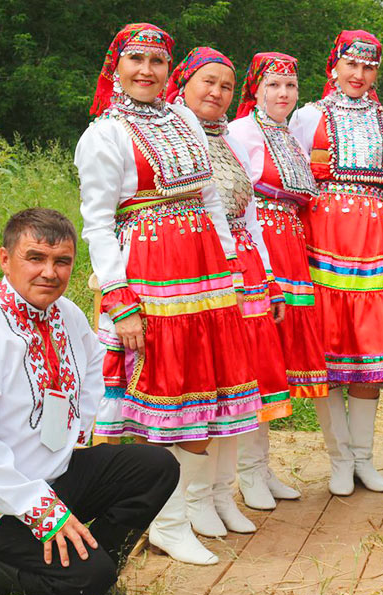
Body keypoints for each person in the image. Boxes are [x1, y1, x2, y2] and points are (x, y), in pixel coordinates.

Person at [75, 24, 262, 566]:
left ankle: (190, 509)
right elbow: (97, 224)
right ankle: (168, 521)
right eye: (136, 59)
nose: (147, 70)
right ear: (116, 66)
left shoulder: (182, 118)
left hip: (204, 273)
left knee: (202, 397)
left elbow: (207, 197)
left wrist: (228, 261)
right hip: (152, 275)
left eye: (158, 61)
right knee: (163, 399)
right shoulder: (104, 134)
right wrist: (119, 298)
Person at [0, 208, 179, 595]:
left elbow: (89, 374)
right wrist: (43, 511)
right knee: (88, 581)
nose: (50, 272)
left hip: (54, 475)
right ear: (4, 259)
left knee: (155, 466)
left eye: (61, 261)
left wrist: (76, 440)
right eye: (35, 258)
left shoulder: (67, 315)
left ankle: (90, 560)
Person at [163, 47, 291, 534]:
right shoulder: (172, 131)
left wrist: (270, 279)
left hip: (246, 267)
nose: (216, 93)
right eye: (207, 82)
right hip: (198, 265)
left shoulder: (230, 138)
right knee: (203, 384)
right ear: (184, 83)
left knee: (240, 386)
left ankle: (219, 493)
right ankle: (192, 499)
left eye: (225, 86)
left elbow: (250, 216)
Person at [289, 30, 383, 496]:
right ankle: (339, 459)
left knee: (368, 354)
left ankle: (364, 457)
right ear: (334, 66)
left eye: (368, 67)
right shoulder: (309, 116)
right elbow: (292, 178)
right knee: (327, 355)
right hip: (321, 242)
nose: (359, 75)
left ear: (376, 72)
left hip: (375, 243)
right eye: (351, 65)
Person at [229, 52, 328, 509]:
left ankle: (261, 467)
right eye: (273, 86)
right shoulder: (241, 131)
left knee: (276, 363)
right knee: (254, 361)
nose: (283, 94)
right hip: (257, 246)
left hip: (288, 246)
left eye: (290, 86)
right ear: (256, 89)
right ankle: (245, 473)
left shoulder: (287, 136)